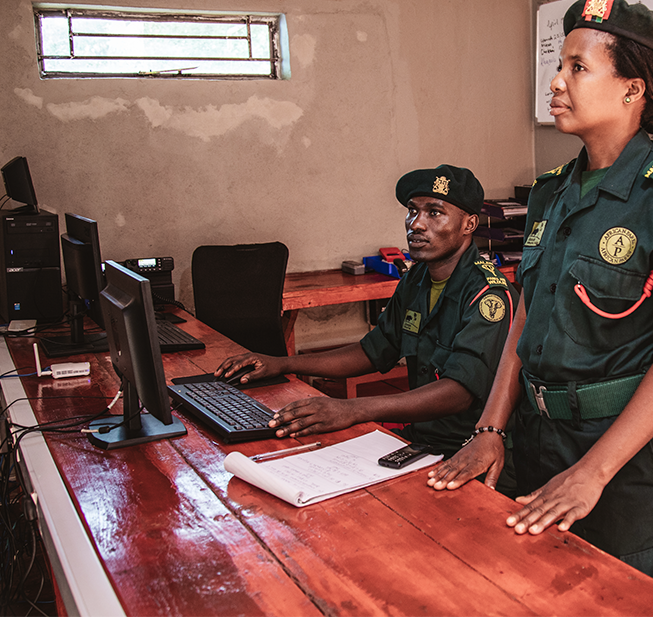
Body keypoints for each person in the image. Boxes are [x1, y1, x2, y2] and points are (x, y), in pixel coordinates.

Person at [425, 0, 653, 598]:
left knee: (634, 602)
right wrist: (490, 428)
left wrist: (592, 473)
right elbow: (527, 317)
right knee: (539, 593)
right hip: (536, 439)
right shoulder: (550, 193)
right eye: (559, 65)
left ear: (632, 89)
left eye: (577, 68)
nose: (556, 82)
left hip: (627, 461)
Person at [216, 164, 518, 492]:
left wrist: (353, 409)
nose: (416, 224)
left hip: (470, 453)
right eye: (412, 211)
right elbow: (372, 350)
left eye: (434, 213)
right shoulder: (416, 279)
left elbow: (458, 391)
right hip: (422, 444)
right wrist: (283, 363)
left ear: (469, 224)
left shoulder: (489, 295)